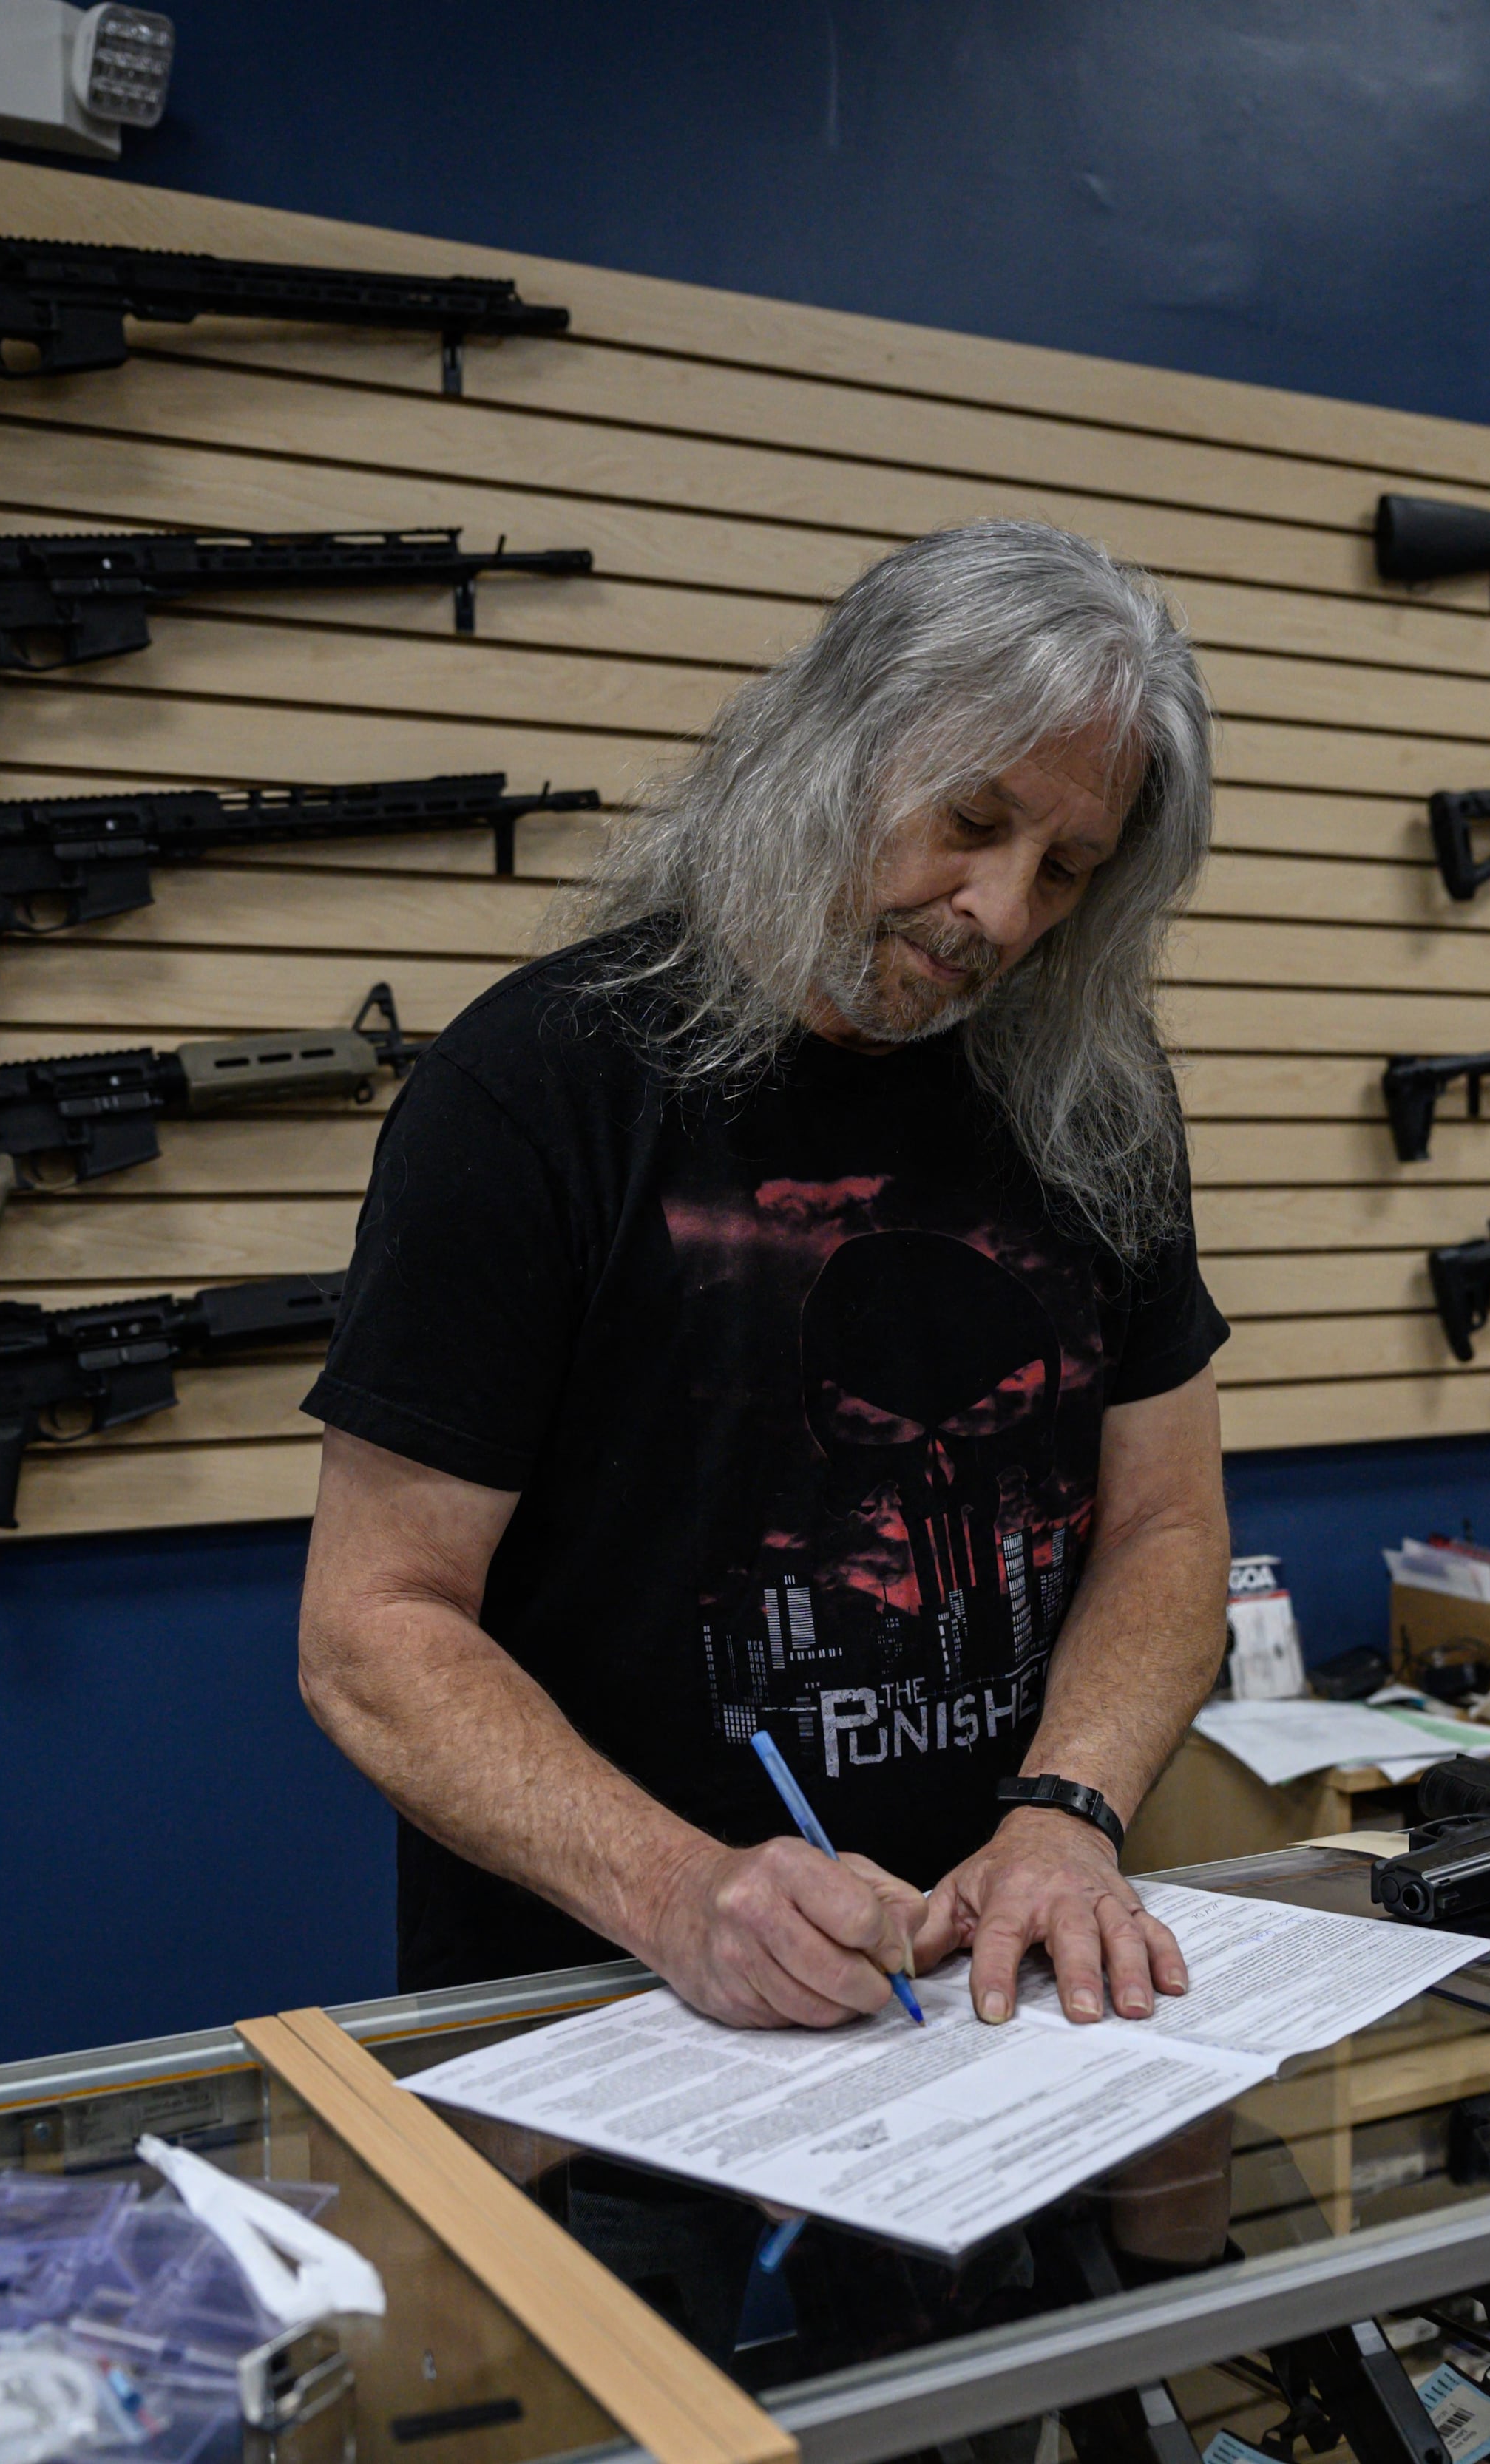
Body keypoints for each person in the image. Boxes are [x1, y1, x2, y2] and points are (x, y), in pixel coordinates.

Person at [296, 519, 1233, 2034]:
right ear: (829, 749)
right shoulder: (534, 1085)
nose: (998, 911)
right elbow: (372, 1627)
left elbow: (1171, 1524)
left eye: (1062, 867)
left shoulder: (1094, 1100)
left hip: (992, 2016)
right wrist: (673, 1886)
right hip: (604, 2019)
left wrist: (1067, 1809)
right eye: (968, 819)